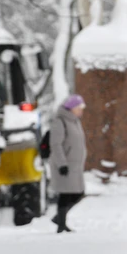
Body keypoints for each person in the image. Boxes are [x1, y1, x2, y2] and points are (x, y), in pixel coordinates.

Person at [49, 94, 88, 233]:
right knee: (65, 194)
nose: (81, 110)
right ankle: (60, 223)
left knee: (77, 193)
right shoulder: (60, 121)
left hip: (75, 165)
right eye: (79, 107)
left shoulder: (75, 121)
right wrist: (62, 164)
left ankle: (59, 219)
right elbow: (56, 144)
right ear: (71, 108)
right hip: (65, 165)